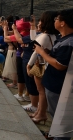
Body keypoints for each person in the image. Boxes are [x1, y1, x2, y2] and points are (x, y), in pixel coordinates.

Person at [35, 9, 73, 140]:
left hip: (59, 86)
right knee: (55, 114)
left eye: (57, 19)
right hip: (53, 83)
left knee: (60, 116)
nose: (54, 21)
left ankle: (59, 137)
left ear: (63, 23)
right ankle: (54, 134)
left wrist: (42, 53)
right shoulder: (62, 38)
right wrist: (47, 53)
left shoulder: (69, 42)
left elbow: (60, 65)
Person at [27, 12, 58, 123]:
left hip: (41, 65)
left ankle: (41, 114)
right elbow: (34, 39)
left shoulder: (44, 36)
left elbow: (35, 51)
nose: (39, 23)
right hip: (46, 65)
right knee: (42, 91)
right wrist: (32, 25)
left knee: (41, 91)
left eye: (40, 21)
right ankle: (39, 112)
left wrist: (29, 65)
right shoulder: (52, 36)